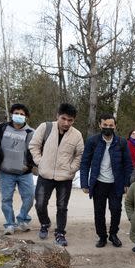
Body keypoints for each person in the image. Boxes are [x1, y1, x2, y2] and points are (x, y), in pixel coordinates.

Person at [29, 103, 84, 247]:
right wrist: (40, 162)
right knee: (40, 204)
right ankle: (45, 223)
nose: (66, 123)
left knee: (62, 206)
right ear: (57, 116)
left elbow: (80, 154)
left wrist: (72, 169)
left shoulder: (77, 135)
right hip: (45, 174)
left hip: (65, 177)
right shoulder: (45, 127)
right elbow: (33, 145)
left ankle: (60, 233)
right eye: (63, 118)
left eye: (70, 120)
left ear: (74, 120)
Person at [79, 113, 133, 248]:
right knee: (99, 211)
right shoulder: (93, 141)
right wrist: (84, 183)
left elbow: (128, 164)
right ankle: (102, 236)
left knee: (116, 210)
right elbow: (85, 163)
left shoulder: (121, 142)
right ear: (100, 125)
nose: (107, 127)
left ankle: (113, 234)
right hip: (98, 183)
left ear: (115, 126)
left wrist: (127, 182)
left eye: (111, 125)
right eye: (105, 125)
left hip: (116, 183)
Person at [0, 103, 36, 234]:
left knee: (29, 197)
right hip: (6, 171)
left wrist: (30, 165)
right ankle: (9, 223)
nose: (19, 116)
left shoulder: (31, 132)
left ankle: (22, 219)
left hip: (24, 172)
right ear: (11, 114)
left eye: (22, 114)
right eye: (17, 113)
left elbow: (35, 150)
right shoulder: (2, 128)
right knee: (6, 199)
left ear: (26, 117)